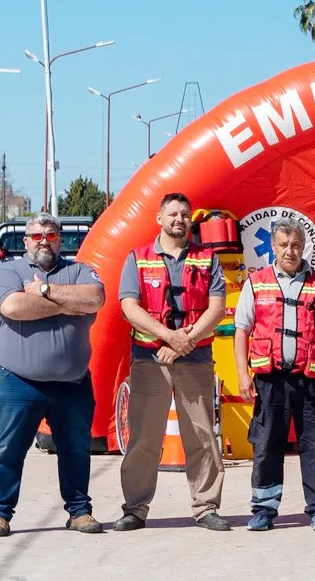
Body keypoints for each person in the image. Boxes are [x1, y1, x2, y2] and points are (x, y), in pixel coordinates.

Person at [0, 213, 106, 537]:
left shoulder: (78, 270)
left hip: (72, 383)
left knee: (76, 450)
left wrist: (43, 291)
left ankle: (79, 511)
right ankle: (0, 513)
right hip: (18, 381)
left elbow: (95, 299)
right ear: (26, 241)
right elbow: (11, 307)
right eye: (36, 236)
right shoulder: (8, 271)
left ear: (60, 239)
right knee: (8, 449)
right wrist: (67, 303)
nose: (43, 241)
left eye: (50, 236)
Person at [114, 193, 229, 532]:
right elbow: (129, 308)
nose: (180, 219)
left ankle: (206, 506)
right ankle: (135, 508)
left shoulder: (208, 260)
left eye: (185, 214)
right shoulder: (138, 258)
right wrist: (168, 336)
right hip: (150, 361)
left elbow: (217, 308)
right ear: (159, 218)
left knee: (202, 435)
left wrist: (183, 342)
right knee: (144, 438)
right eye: (173, 214)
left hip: (195, 358)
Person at [233, 218, 315, 532]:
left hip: (311, 381)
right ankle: (264, 509)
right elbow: (241, 331)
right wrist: (243, 375)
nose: (290, 251)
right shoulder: (256, 282)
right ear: (273, 246)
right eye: (284, 245)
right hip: (270, 381)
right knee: (267, 445)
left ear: (304, 246)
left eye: (296, 245)